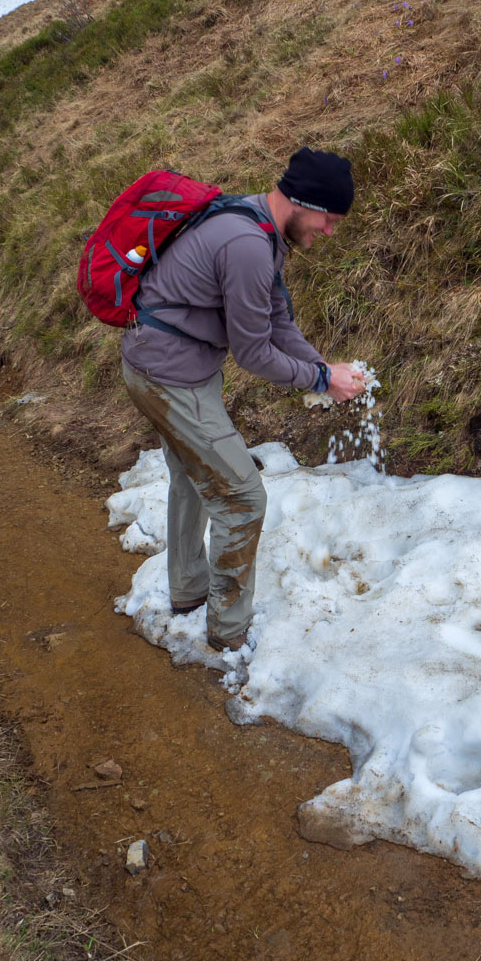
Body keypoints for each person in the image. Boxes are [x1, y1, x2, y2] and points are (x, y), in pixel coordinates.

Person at [121, 147, 366, 654]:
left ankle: (188, 596)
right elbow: (254, 353)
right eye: (329, 219)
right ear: (302, 201)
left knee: (194, 478)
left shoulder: (258, 225)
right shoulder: (248, 245)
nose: (329, 231)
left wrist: (325, 370)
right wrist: (320, 382)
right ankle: (228, 633)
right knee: (243, 497)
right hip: (169, 379)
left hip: (170, 366)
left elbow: (277, 322)